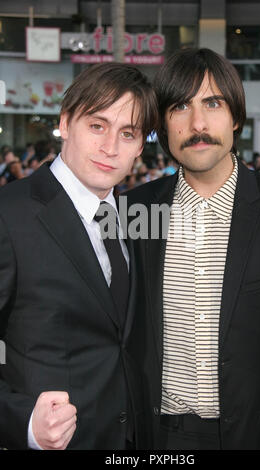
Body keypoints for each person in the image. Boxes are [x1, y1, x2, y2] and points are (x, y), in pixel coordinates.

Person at [126, 48, 260, 449]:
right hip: (162, 437)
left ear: (235, 116)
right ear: (163, 125)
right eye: (180, 106)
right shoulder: (133, 212)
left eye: (213, 103)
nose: (197, 123)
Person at [0, 62, 157, 450]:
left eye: (128, 133)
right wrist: (22, 423)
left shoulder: (134, 218)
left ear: (140, 145)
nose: (111, 148)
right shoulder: (9, 214)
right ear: (66, 123)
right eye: (97, 126)